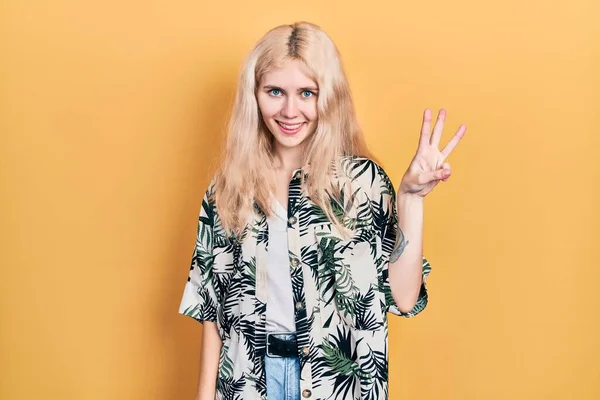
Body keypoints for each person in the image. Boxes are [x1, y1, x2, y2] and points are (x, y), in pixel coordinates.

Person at [178, 21, 466, 400]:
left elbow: (404, 297)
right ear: (255, 95)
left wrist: (411, 199)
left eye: (307, 93)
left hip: (333, 384)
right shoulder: (227, 190)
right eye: (275, 91)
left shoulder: (362, 184)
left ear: (328, 97)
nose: (289, 110)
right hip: (248, 382)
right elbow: (213, 313)